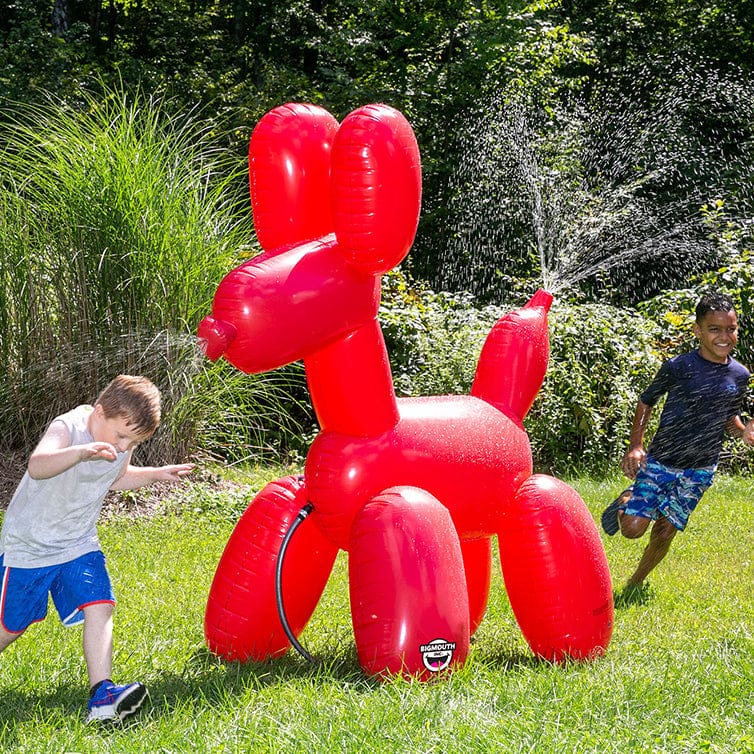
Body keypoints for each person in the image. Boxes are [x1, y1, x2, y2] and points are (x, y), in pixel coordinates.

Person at [0, 375, 195, 723]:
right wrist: (81, 451)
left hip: (78, 542)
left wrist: (155, 473)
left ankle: (102, 696)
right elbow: (38, 465)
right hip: (31, 545)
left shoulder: (121, 441)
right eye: (121, 435)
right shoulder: (70, 427)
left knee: (101, 605)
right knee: (11, 627)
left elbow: (116, 477)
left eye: (131, 441)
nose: (123, 446)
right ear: (100, 411)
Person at [601, 291, 754, 599]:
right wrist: (635, 445)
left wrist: (744, 433)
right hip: (661, 462)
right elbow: (646, 401)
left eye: (731, 329)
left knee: (666, 530)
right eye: (715, 329)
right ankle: (627, 499)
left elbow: (730, 418)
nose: (725, 336)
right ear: (698, 331)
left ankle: (634, 583)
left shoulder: (740, 375)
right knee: (633, 528)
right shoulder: (679, 366)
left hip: (699, 469)